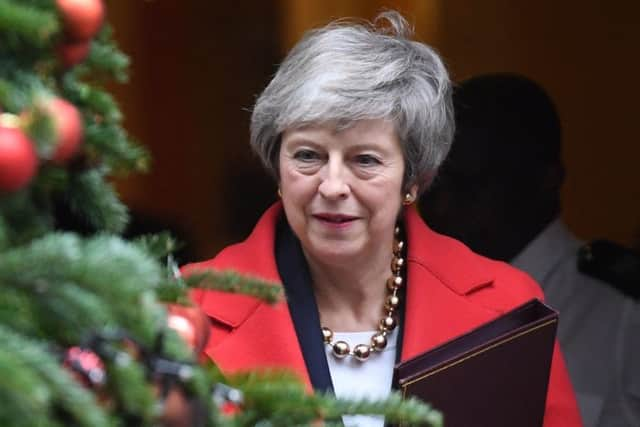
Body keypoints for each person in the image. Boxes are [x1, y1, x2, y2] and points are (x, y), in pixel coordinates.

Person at [184, 14, 582, 427]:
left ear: (413, 179)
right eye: (308, 155)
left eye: (365, 160)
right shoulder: (186, 311)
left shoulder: (507, 308)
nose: (333, 185)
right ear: (276, 167)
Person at [420, 73, 640, 427]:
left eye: (470, 186)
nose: (441, 208)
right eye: (432, 187)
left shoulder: (622, 314)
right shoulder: (405, 298)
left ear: (545, 180)